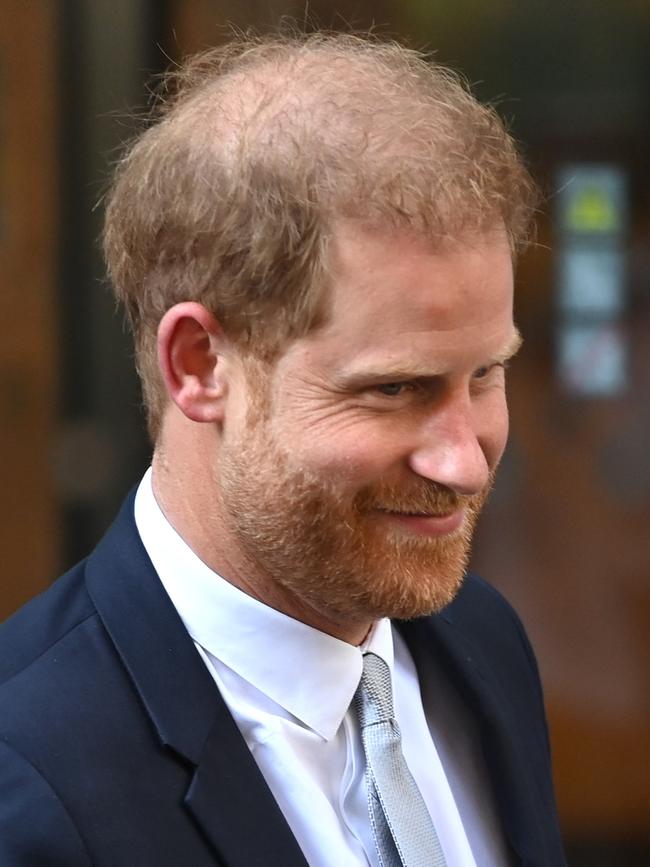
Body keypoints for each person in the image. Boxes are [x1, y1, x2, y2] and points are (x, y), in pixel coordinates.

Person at [0, 32, 566, 866]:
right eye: (395, 389)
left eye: (486, 373)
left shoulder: (481, 645)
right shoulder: (29, 783)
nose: (467, 462)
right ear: (200, 365)